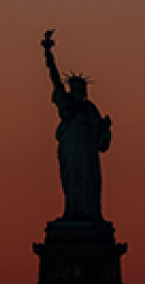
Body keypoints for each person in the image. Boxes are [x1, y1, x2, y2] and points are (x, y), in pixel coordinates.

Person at [42, 29, 112, 221]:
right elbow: (54, 79)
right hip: (70, 151)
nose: (78, 91)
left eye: (81, 88)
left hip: (87, 153)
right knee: (71, 180)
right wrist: (48, 54)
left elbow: (101, 139)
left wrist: (105, 128)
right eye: (75, 88)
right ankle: (72, 211)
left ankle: (89, 213)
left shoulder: (90, 109)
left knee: (88, 180)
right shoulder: (66, 102)